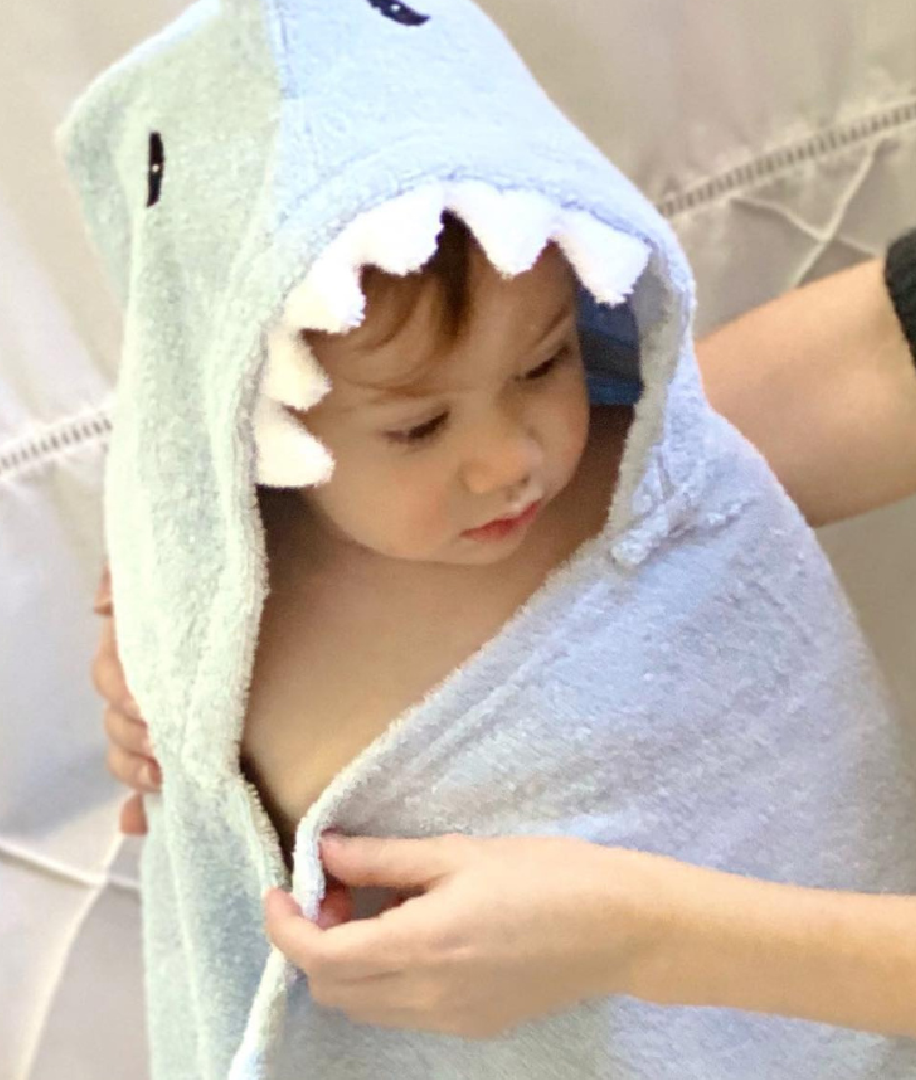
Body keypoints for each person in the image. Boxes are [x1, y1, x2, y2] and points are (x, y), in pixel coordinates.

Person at [62, 0, 916, 1072]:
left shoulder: (685, 518)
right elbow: (889, 349)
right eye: (418, 426)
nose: (511, 459)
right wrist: (178, 583)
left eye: (547, 362)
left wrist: (644, 936)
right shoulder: (236, 621)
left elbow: (782, 782)